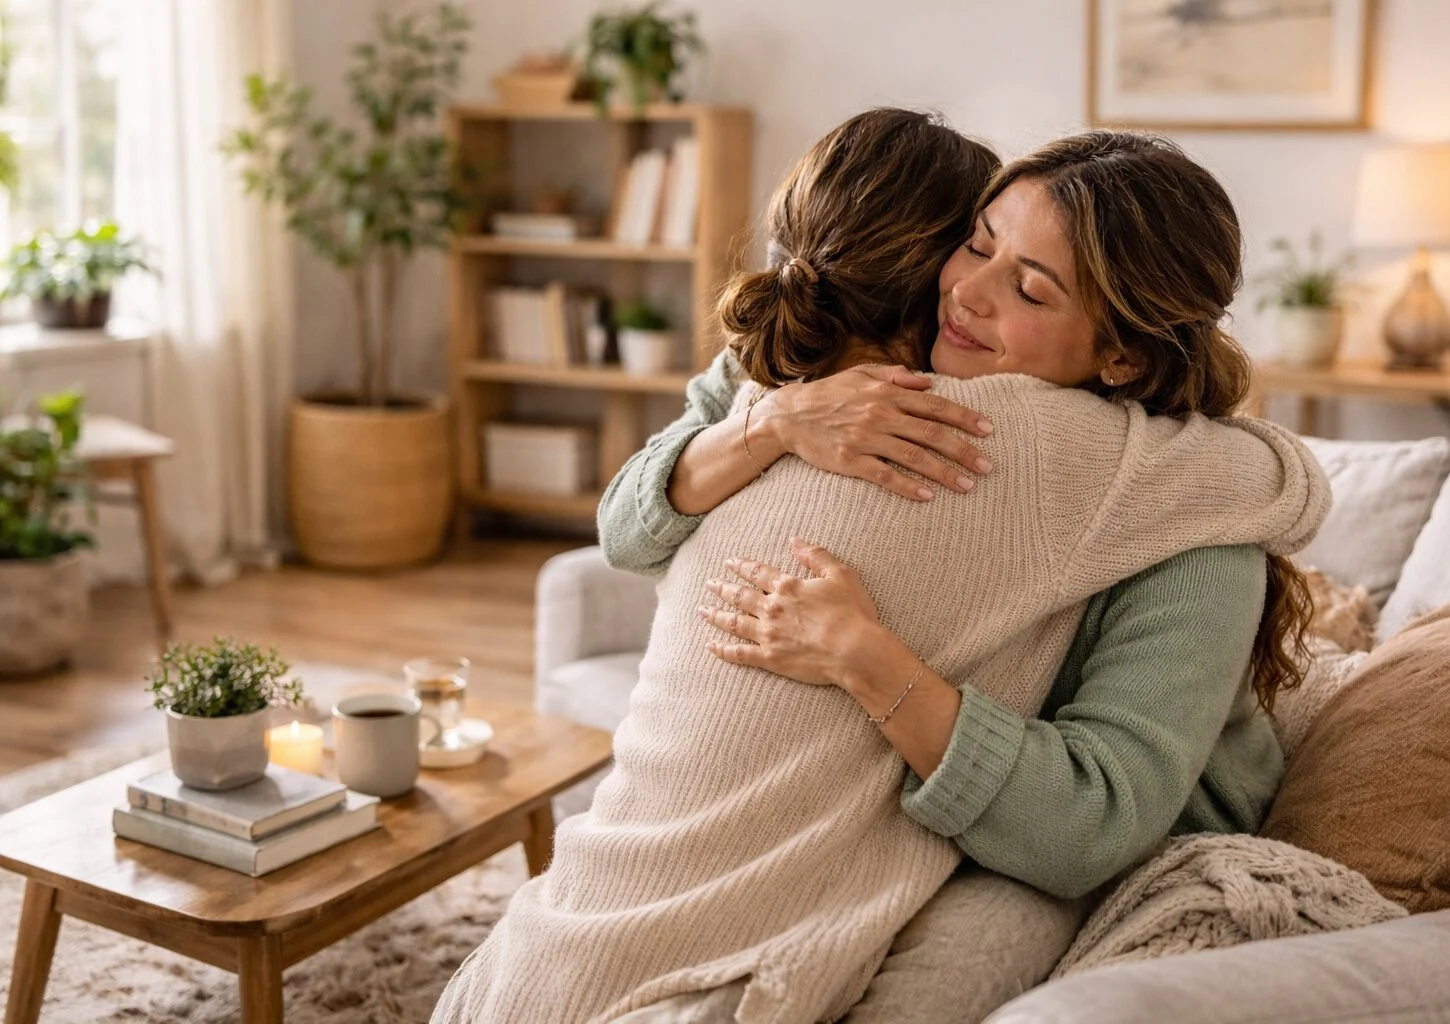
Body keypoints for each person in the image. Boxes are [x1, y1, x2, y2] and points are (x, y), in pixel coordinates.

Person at [433, 112, 1326, 1024]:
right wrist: (772, 422)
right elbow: (627, 528)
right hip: (956, 783)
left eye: (1029, 288)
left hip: (1110, 828)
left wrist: (868, 658)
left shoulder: (1183, 513)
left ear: (1123, 353)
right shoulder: (831, 364)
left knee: (967, 951)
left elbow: (1094, 825)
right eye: (975, 244)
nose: (967, 294)